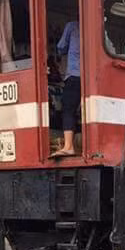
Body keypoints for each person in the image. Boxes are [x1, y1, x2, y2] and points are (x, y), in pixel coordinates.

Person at [54, 18, 80, 156]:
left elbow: (61, 47)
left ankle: (69, 146)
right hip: (90, 78)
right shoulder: (98, 28)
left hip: (74, 75)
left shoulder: (72, 26)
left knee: (68, 109)